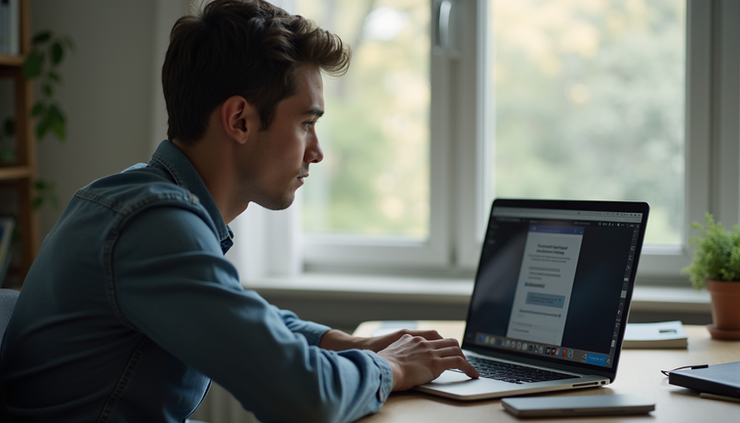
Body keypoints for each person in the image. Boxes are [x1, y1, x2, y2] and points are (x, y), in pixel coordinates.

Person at [0, 1, 478, 422]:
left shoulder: (135, 197)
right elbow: (304, 399)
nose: (317, 152)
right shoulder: (153, 224)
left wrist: (343, 343)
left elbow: (237, 315)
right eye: (307, 123)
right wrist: (391, 367)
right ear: (240, 120)